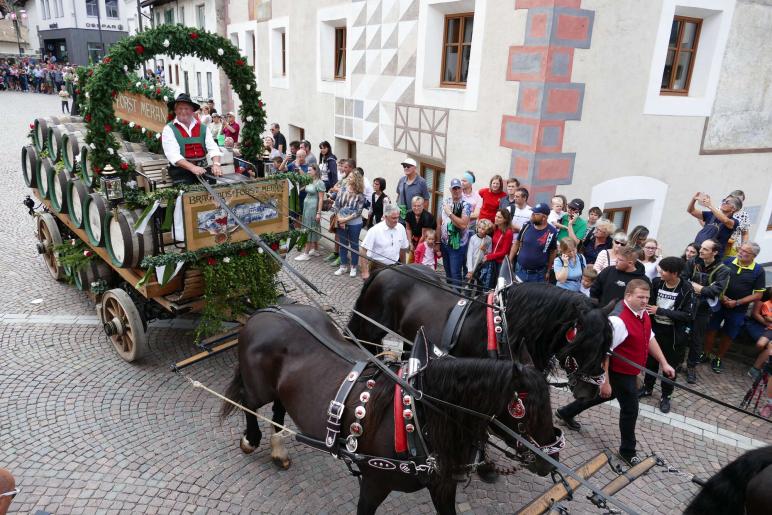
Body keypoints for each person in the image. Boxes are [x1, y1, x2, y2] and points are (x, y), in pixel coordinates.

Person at [555, 280, 676, 466]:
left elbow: (650, 337)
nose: (645, 301)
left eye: (647, 297)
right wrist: (605, 382)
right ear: (628, 296)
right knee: (630, 409)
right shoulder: (618, 321)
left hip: (629, 370)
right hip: (619, 371)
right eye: (640, 297)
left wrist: (664, 363)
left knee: (605, 397)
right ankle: (627, 451)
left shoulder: (642, 313)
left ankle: (565, 412)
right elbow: (605, 352)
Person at [640, 257, 696, 413]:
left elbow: (688, 315)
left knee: (669, 366)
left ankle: (666, 396)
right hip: (654, 330)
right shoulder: (657, 283)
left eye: (664, 270)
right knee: (650, 362)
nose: (660, 272)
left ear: (675, 273)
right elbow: (648, 303)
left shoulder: (686, 288)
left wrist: (661, 311)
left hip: (673, 335)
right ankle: (647, 388)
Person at [703, 242, 765, 373]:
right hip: (719, 303)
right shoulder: (728, 261)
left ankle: (718, 358)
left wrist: (737, 302)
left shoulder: (759, 271)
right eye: (741, 249)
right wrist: (721, 295)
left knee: (729, 334)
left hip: (739, 309)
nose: (740, 252)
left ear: (753, 255)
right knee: (711, 328)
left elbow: (759, 294)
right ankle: (706, 353)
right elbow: (715, 278)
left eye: (745, 251)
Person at [682, 238, 730, 384]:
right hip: (687, 304)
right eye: (701, 248)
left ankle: (691, 367)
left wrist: (699, 288)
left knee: (697, 340)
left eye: (705, 249)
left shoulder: (723, 270)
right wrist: (703, 289)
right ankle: (677, 362)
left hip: (703, 309)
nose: (701, 251)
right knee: (680, 333)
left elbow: (715, 291)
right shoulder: (693, 262)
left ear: (714, 252)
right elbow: (683, 280)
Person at [161, 93, 223, 184]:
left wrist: (216, 164)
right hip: (181, 171)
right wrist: (193, 168)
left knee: (212, 186)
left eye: (186, 108)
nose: (183, 111)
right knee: (188, 191)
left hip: (202, 169)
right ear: (175, 110)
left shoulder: (203, 128)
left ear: (192, 110)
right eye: (180, 108)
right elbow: (173, 155)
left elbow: (213, 148)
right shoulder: (169, 129)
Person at [510, 202, 558, 283]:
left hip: (539, 275)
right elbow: (516, 243)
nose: (532, 215)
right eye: (532, 212)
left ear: (544, 217)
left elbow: (552, 252)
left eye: (536, 213)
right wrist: (510, 261)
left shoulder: (552, 232)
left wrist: (549, 270)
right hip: (520, 271)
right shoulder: (526, 226)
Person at [438, 178, 472, 289]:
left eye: (458, 188)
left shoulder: (466, 205)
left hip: (457, 246)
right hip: (444, 243)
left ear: (462, 189)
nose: (456, 191)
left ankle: (456, 298)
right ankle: (449, 295)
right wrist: (438, 242)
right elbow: (439, 222)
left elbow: (463, 225)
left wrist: (450, 213)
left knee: (455, 274)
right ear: (450, 189)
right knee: (447, 272)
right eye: (454, 188)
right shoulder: (445, 202)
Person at [361, 204, 409, 279]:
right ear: (386, 217)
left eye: (397, 217)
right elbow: (363, 250)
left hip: (395, 267)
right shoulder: (374, 230)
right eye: (393, 218)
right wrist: (365, 272)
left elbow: (402, 249)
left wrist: (404, 267)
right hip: (377, 268)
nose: (396, 220)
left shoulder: (401, 228)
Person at [333, 172, 366, 277]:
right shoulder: (342, 189)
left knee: (354, 245)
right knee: (342, 244)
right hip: (341, 220)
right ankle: (343, 266)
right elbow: (336, 205)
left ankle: (354, 267)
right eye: (348, 176)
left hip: (354, 223)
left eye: (351, 177)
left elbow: (358, 211)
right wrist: (339, 218)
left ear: (356, 179)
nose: (348, 178)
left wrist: (346, 219)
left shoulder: (360, 194)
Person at [687, 192, 740, 256]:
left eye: (727, 202)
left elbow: (725, 220)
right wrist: (693, 199)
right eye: (723, 200)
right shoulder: (711, 214)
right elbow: (691, 211)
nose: (723, 203)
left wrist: (709, 205)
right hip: (698, 249)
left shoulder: (734, 221)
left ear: (733, 209)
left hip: (713, 255)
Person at [294, 164, 326, 261]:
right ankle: (315, 249)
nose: (308, 172)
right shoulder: (310, 180)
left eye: (309, 170)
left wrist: (318, 213)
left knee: (309, 227)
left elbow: (321, 199)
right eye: (307, 170)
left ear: (315, 171)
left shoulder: (320, 183)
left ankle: (306, 253)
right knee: (311, 226)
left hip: (313, 207)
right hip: (307, 206)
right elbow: (303, 188)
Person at [479, 209, 514, 289]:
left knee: (498, 286)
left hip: (500, 263)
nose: (496, 218)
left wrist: (488, 256)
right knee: (489, 284)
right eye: (496, 216)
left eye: (499, 217)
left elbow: (504, 252)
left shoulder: (508, 232)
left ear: (505, 220)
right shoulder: (496, 228)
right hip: (493, 261)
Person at [747, 288, 772, 381]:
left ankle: (757, 368)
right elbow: (755, 314)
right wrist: (768, 325)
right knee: (765, 344)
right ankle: (757, 369)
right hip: (757, 323)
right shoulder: (766, 293)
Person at [466, 219, 493, 283]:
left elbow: (489, 252)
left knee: (479, 281)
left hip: (481, 265)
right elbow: (469, 254)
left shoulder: (488, 239)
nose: (480, 230)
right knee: (469, 282)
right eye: (479, 227)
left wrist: (484, 249)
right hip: (471, 265)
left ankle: (478, 293)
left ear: (487, 230)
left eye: (483, 229)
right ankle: (468, 292)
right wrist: (470, 269)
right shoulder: (473, 238)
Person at [725, 190, 750, 257]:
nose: (736, 202)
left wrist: (743, 246)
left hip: (733, 247)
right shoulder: (721, 209)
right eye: (734, 199)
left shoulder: (744, 215)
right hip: (717, 244)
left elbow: (745, 233)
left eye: (739, 200)